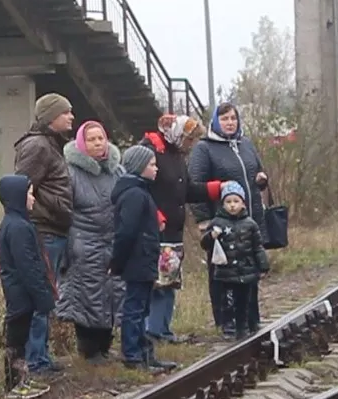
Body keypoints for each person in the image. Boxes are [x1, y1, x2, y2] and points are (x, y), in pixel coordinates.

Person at [189, 102, 268, 337]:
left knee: (249, 272)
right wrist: (204, 220)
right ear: (215, 122)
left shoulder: (245, 144)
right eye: (224, 119)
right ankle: (226, 321)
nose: (230, 123)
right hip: (220, 224)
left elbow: (257, 172)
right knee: (223, 276)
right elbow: (195, 187)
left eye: (233, 118)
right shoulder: (205, 149)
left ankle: (250, 319)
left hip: (248, 220)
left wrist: (262, 179)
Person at [140, 114, 222, 343]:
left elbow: (186, 190)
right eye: (189, 140)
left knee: (169, 280)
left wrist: (216, 189)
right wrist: (153, 214)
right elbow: (139, 186)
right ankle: (152, 330)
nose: (191, 145)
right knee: (158, 282)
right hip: (155, 229)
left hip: (173, 231)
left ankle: (163, 329)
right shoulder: (151, 151)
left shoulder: (177, 155)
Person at [14, 93, 75, 375]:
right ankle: (35, 360)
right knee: (40, 297)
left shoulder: (50, 145)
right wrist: (47, 211)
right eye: (66, 113)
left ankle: (41, 355)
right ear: (51, 117)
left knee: (47, 296)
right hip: (44, 231)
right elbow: (22, 188)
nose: (71, 117)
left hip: (55, 229)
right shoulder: (38, 146)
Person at [56, 121, 124, 362]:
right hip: (84, 243)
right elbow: (64, 208)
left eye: (101, 138)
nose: (98, 143)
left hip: (112, 241)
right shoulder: (71, 172)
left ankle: (106, 345)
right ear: (83, 143)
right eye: (92, 139)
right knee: (86, 294)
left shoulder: (116, 170)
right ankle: (89, 348)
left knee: (112, 293)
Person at [110, 145, 178, 373]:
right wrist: (118, 262)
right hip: (137, 261)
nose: (156, 168)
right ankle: (133, 355)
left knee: (143, 308)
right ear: (139, 167)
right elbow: (125, 232)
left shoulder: (141, 191)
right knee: (135, 308)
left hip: (144, 259)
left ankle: (145, 354)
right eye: (151, 164)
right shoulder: (134, 195)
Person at [0, 174, 57, 399]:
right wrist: (42, 296)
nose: (33, 198)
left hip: (20, 292)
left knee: (19, 339)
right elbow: (28, 266)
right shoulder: (18, 227)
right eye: (29, 194)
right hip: (20, 293)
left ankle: (21, 380)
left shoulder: (17, 223)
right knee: (16, 339)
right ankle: (15, 385)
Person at [200, 182, 270, 339]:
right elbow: (205, 245)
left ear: (242, 203)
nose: (232, 205)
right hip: (225, 271)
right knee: (226, 301)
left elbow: (257, 246)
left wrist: (263, 265)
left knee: (244, 300)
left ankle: (243, 327)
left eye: (236, 201)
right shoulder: (217, 223)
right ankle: (228, 326)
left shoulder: (250, 224)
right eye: (228, 202)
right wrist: (211, 236)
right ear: (223, 203)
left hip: (245, 270)